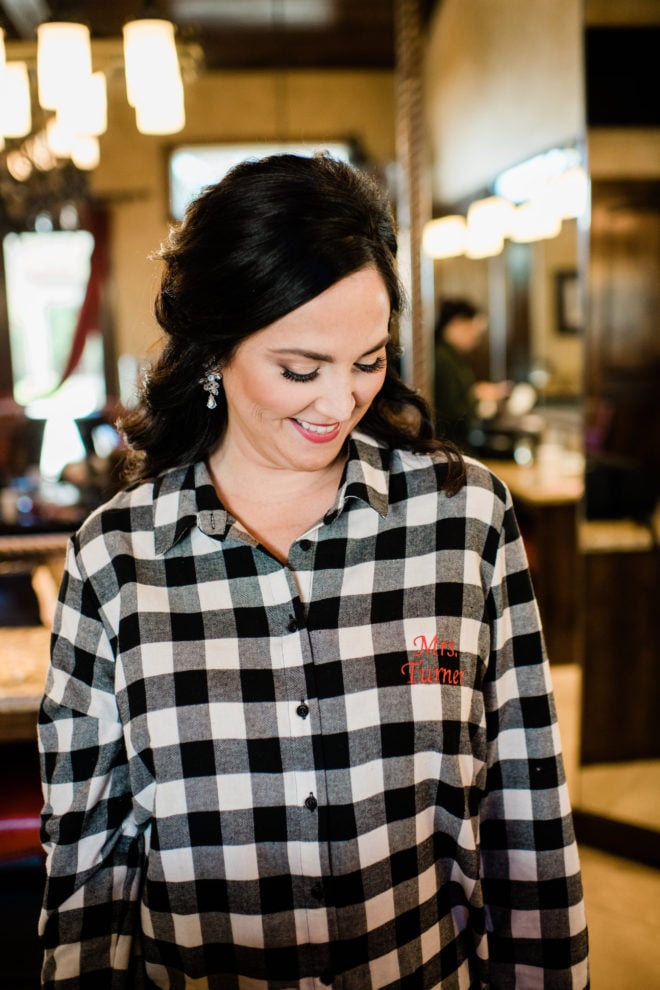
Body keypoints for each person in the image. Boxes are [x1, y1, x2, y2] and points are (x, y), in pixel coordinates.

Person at [38, 153, 589, 989]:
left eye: (368, 362)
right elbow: (88, 871)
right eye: (300, 370)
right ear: (214, 352)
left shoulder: (464, 519)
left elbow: (528, 817)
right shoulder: (116, 559)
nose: (338, 404)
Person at [433, 298, 510, 451]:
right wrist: (477, 395)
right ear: (457, 323)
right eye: (473, 331)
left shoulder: (450, 356)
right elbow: (452, 408)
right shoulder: (442, 358)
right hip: (449, 443)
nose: (475, 339)